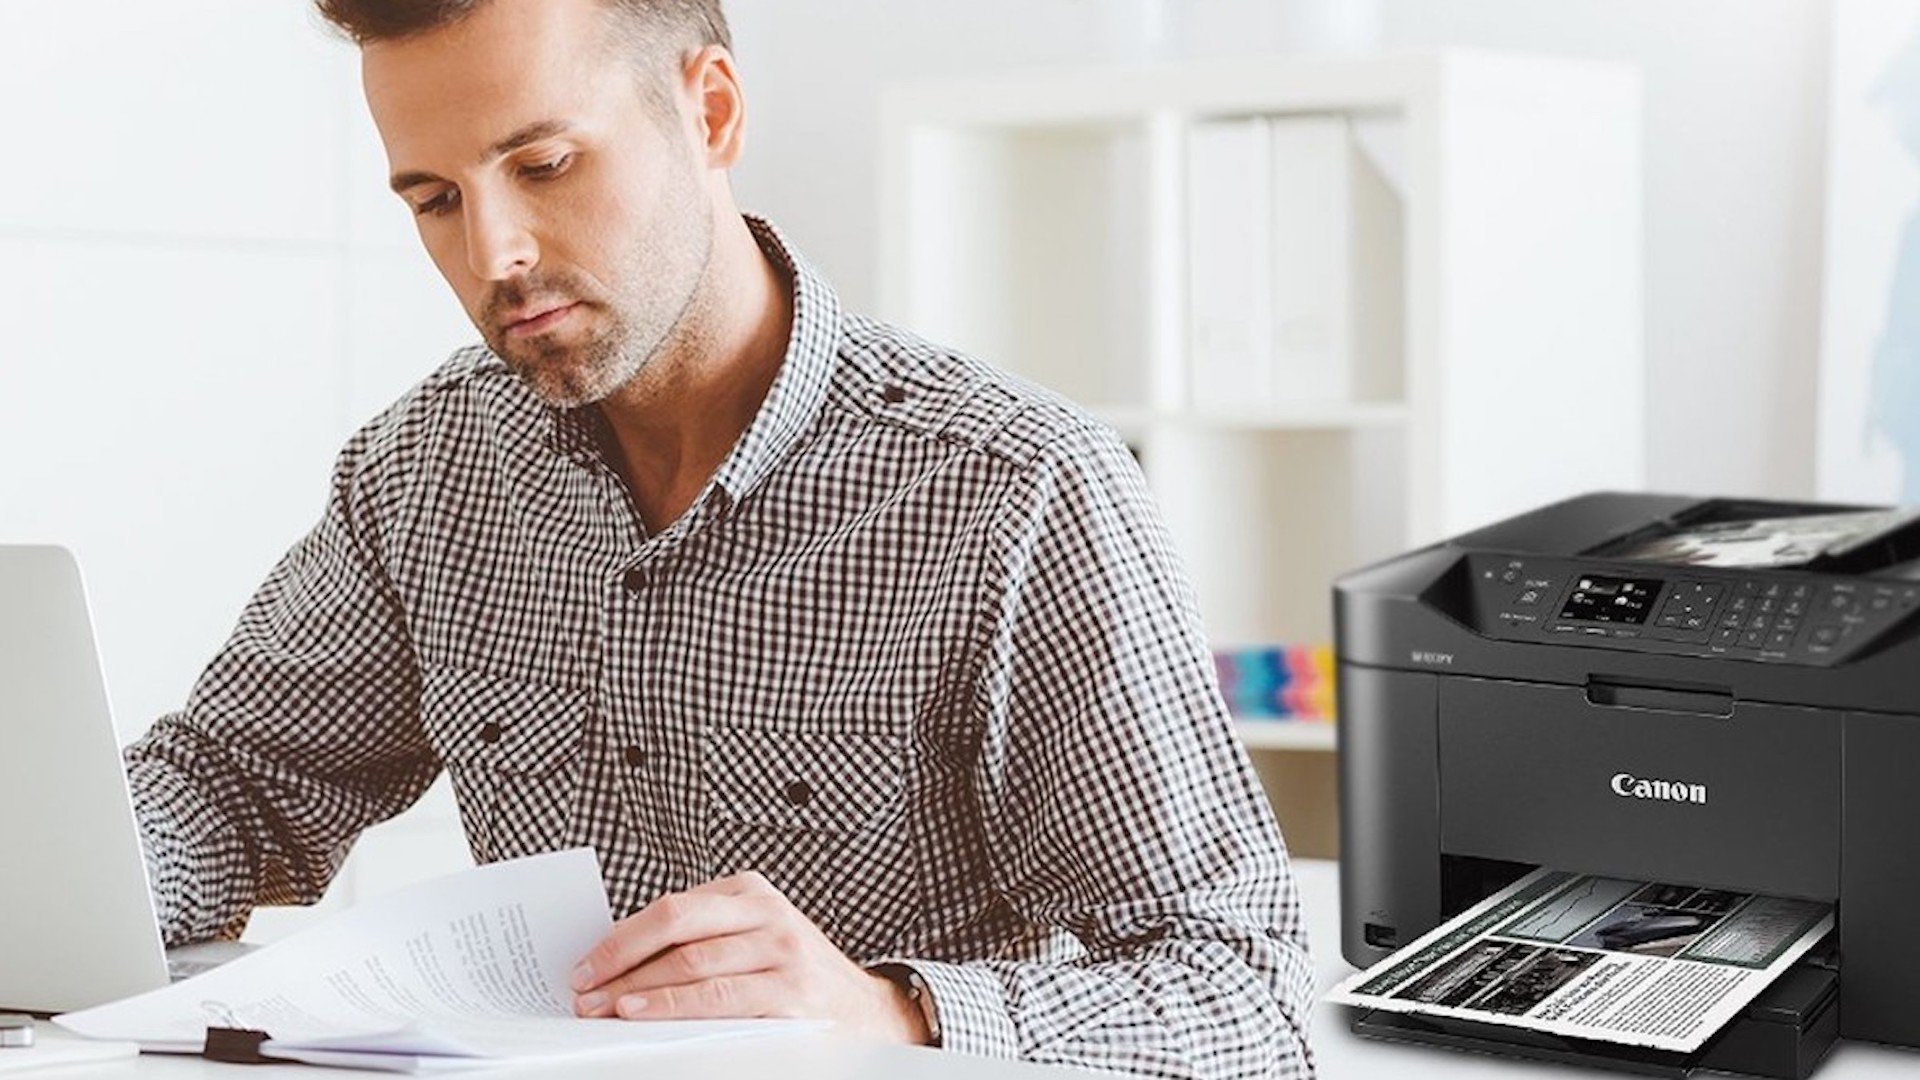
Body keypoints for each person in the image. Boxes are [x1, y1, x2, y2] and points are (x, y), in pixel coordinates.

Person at [121, 0, 1315, 1075]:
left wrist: (889, 1010)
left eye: (543, 164)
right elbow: (235, 789)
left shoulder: (1016, 492)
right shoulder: (428, 469)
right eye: (435, 200)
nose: (494, 256)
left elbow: (1244, 998)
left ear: (711, 111)